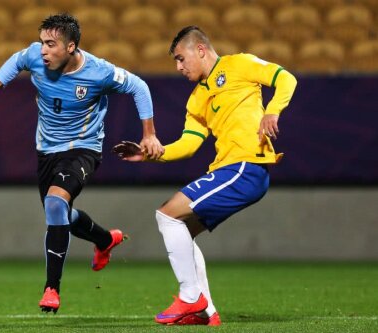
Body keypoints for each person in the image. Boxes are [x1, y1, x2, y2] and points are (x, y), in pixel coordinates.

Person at [0, 14, 164, 313]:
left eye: (51, 44)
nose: (43, 51)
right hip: (46, 150)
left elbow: (139, 87)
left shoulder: (99, 72)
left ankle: (52, 289)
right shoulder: (35, 56)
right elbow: (15, 61)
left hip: (83, 148)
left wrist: (149, 134)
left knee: (55, 204)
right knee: (59, 213)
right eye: (41, 43)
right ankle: (105, 240)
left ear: (71, 47)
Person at [113, 26, 297, 326]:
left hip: (246, 166)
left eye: (181, 58)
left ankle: (190, 297)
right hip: (230, 170)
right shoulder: (197, 99)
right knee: (180, 228)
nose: (178, 67)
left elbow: (286, 78)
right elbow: (189, 144)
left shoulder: (239, 64)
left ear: (200, 49)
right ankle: (205, 312)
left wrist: (273, 110)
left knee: (167, 214)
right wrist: (151, 153)